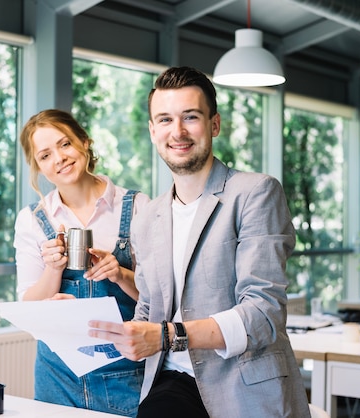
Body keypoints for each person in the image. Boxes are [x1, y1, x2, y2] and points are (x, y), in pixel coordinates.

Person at [88, 67, 311, 417]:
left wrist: (166, 335)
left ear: (214, 124)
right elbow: (149, 310)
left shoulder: (255, 193)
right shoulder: (148, 216)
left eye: (190, 117)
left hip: (242, 386)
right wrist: (81, 320)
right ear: (152, 130)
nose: (177, 132)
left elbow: (263, 315)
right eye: (164, 119)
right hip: (172, 384)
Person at [13, 109, 149, 417]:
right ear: (39, 167)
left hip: (124, 375)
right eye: (45, 155)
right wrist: (54, 268)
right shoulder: (33, 219)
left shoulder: (138, 207)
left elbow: (159, 301)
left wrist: (120, 274)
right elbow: (28, 304)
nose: (59, 159)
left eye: (65, 144)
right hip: (56, 378)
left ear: (84, 143)